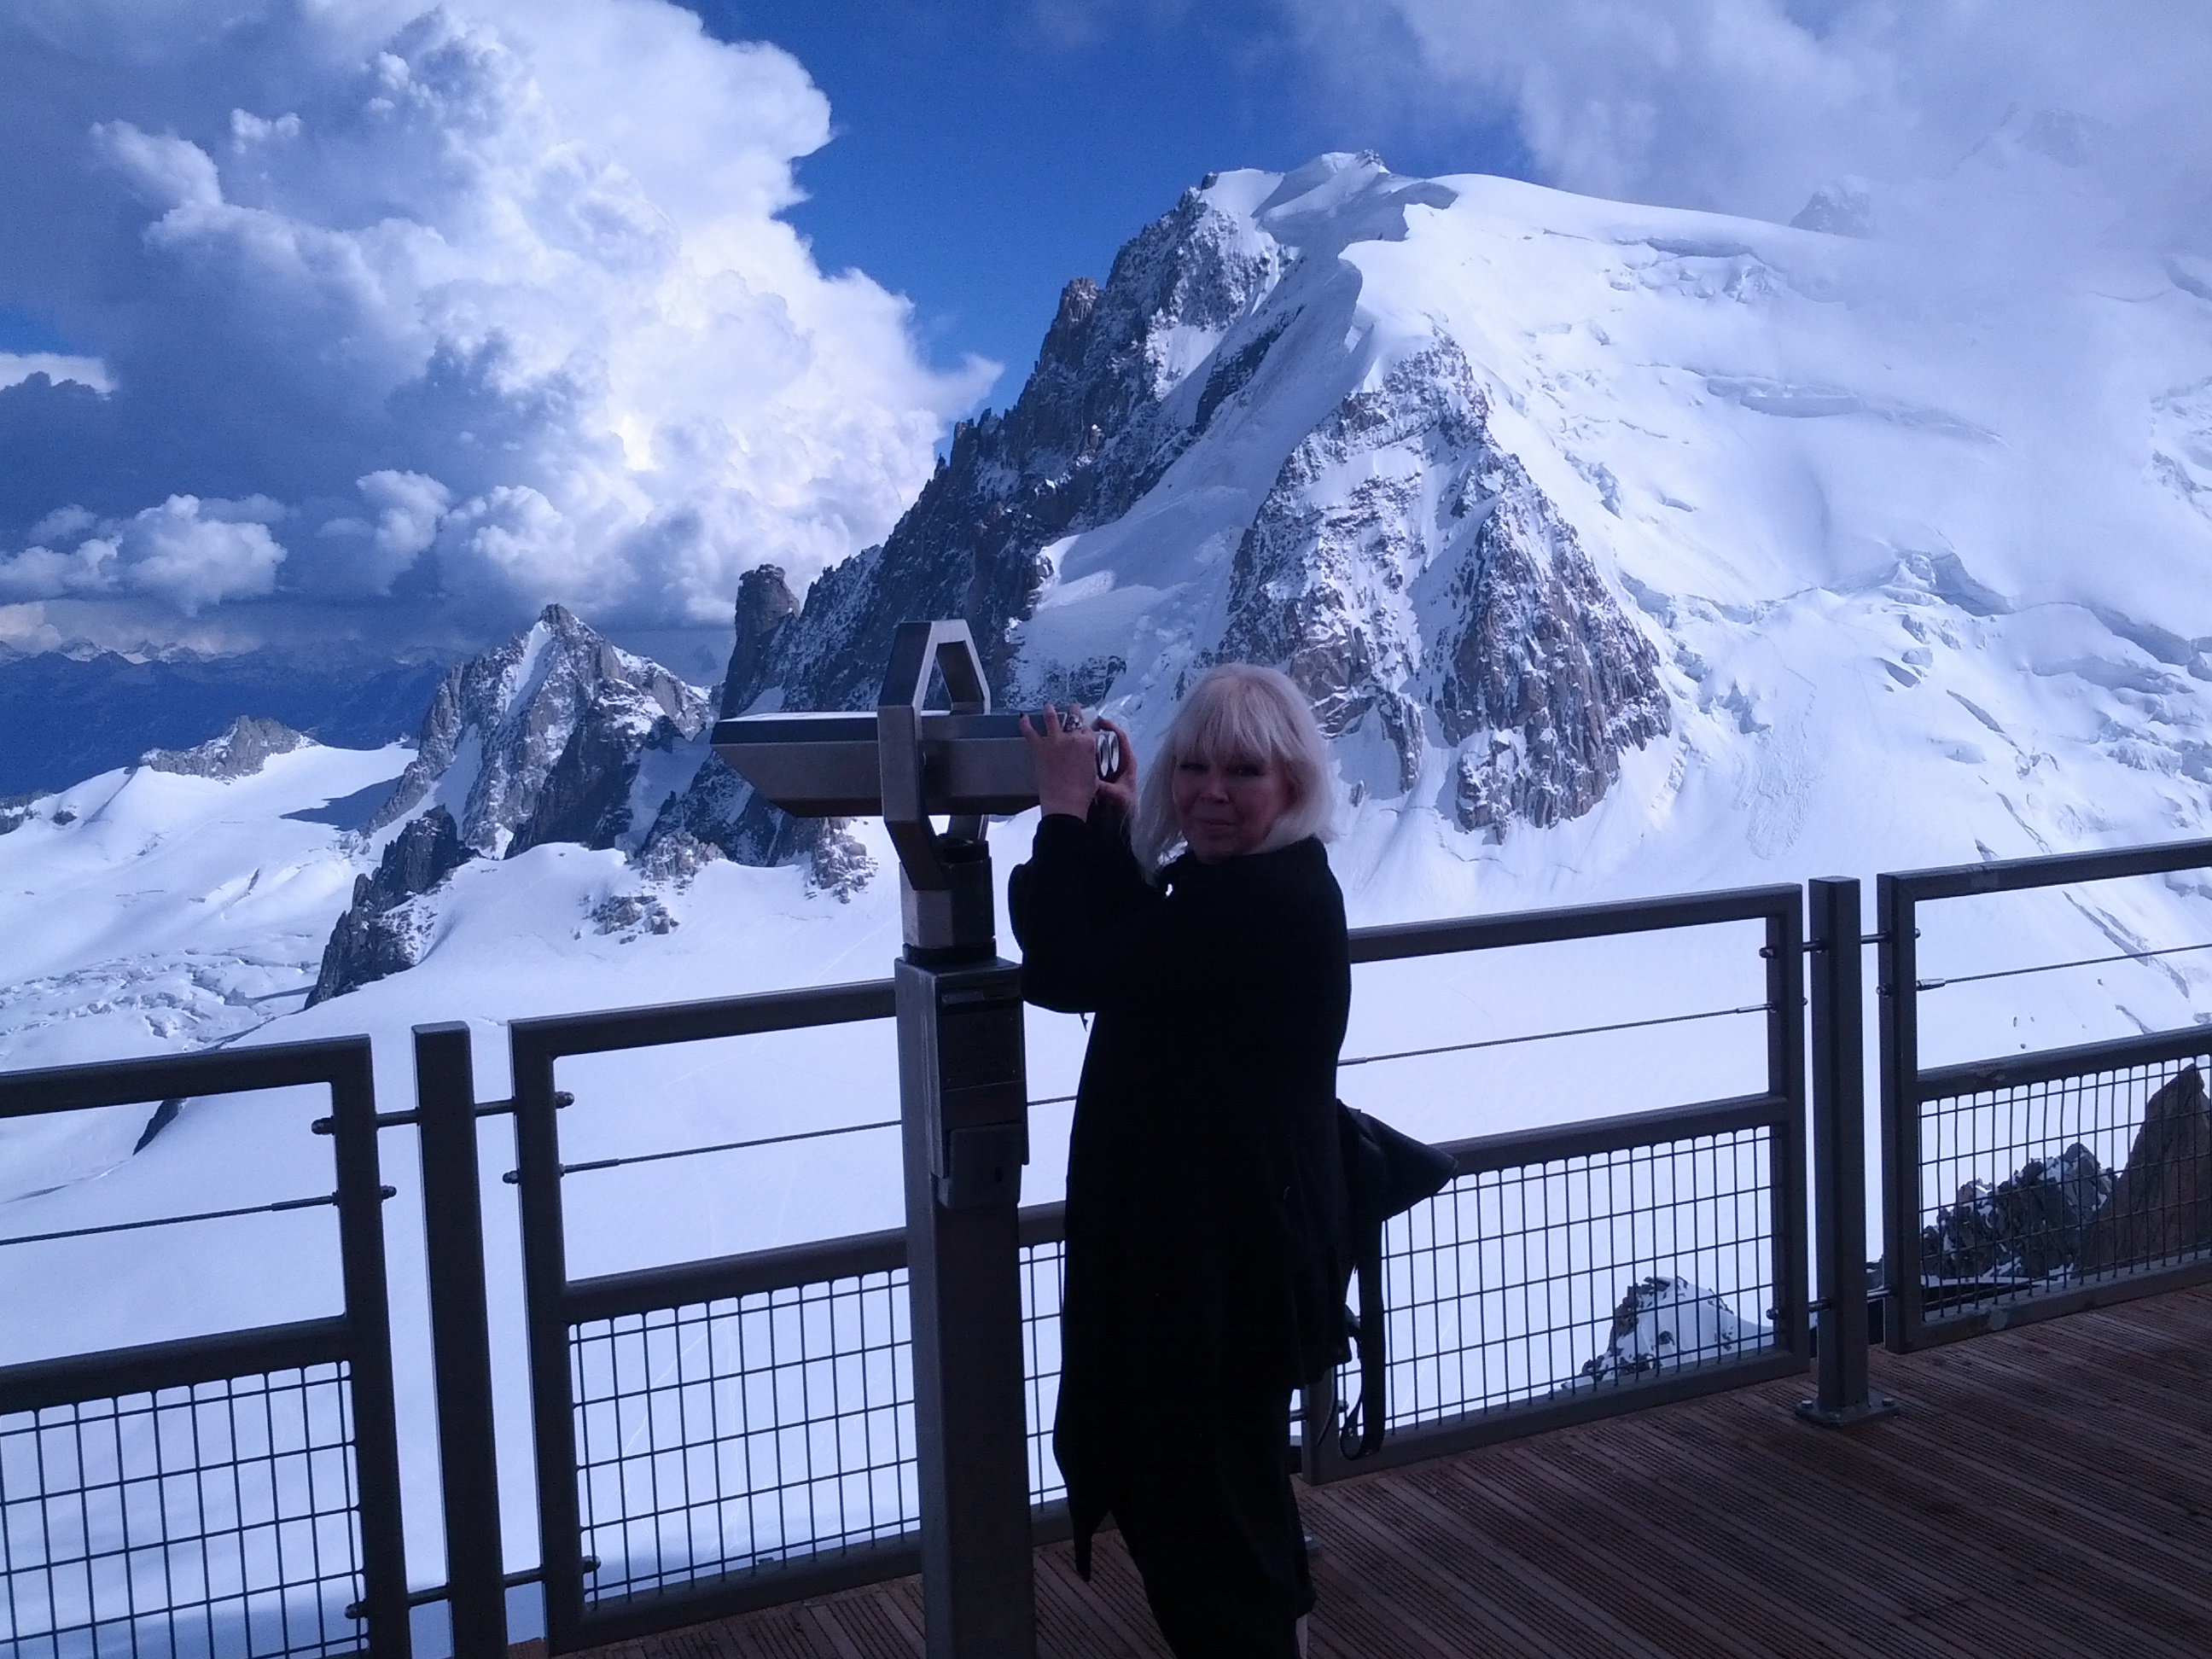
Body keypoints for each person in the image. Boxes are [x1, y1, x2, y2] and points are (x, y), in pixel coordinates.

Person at [1010, 664, 1350, 1659]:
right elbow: (1151, 957)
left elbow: (1070, 969)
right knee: (1228, 1501)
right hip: (1229, 1262)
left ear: (1293, 784)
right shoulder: (1261, 889)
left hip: (1211, 1281)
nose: (1211, 791)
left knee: (1199, 1522)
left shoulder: (1254, 903)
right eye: (1193, 767)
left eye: (1243, 771)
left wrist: (1061, 815)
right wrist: (1112, 826)